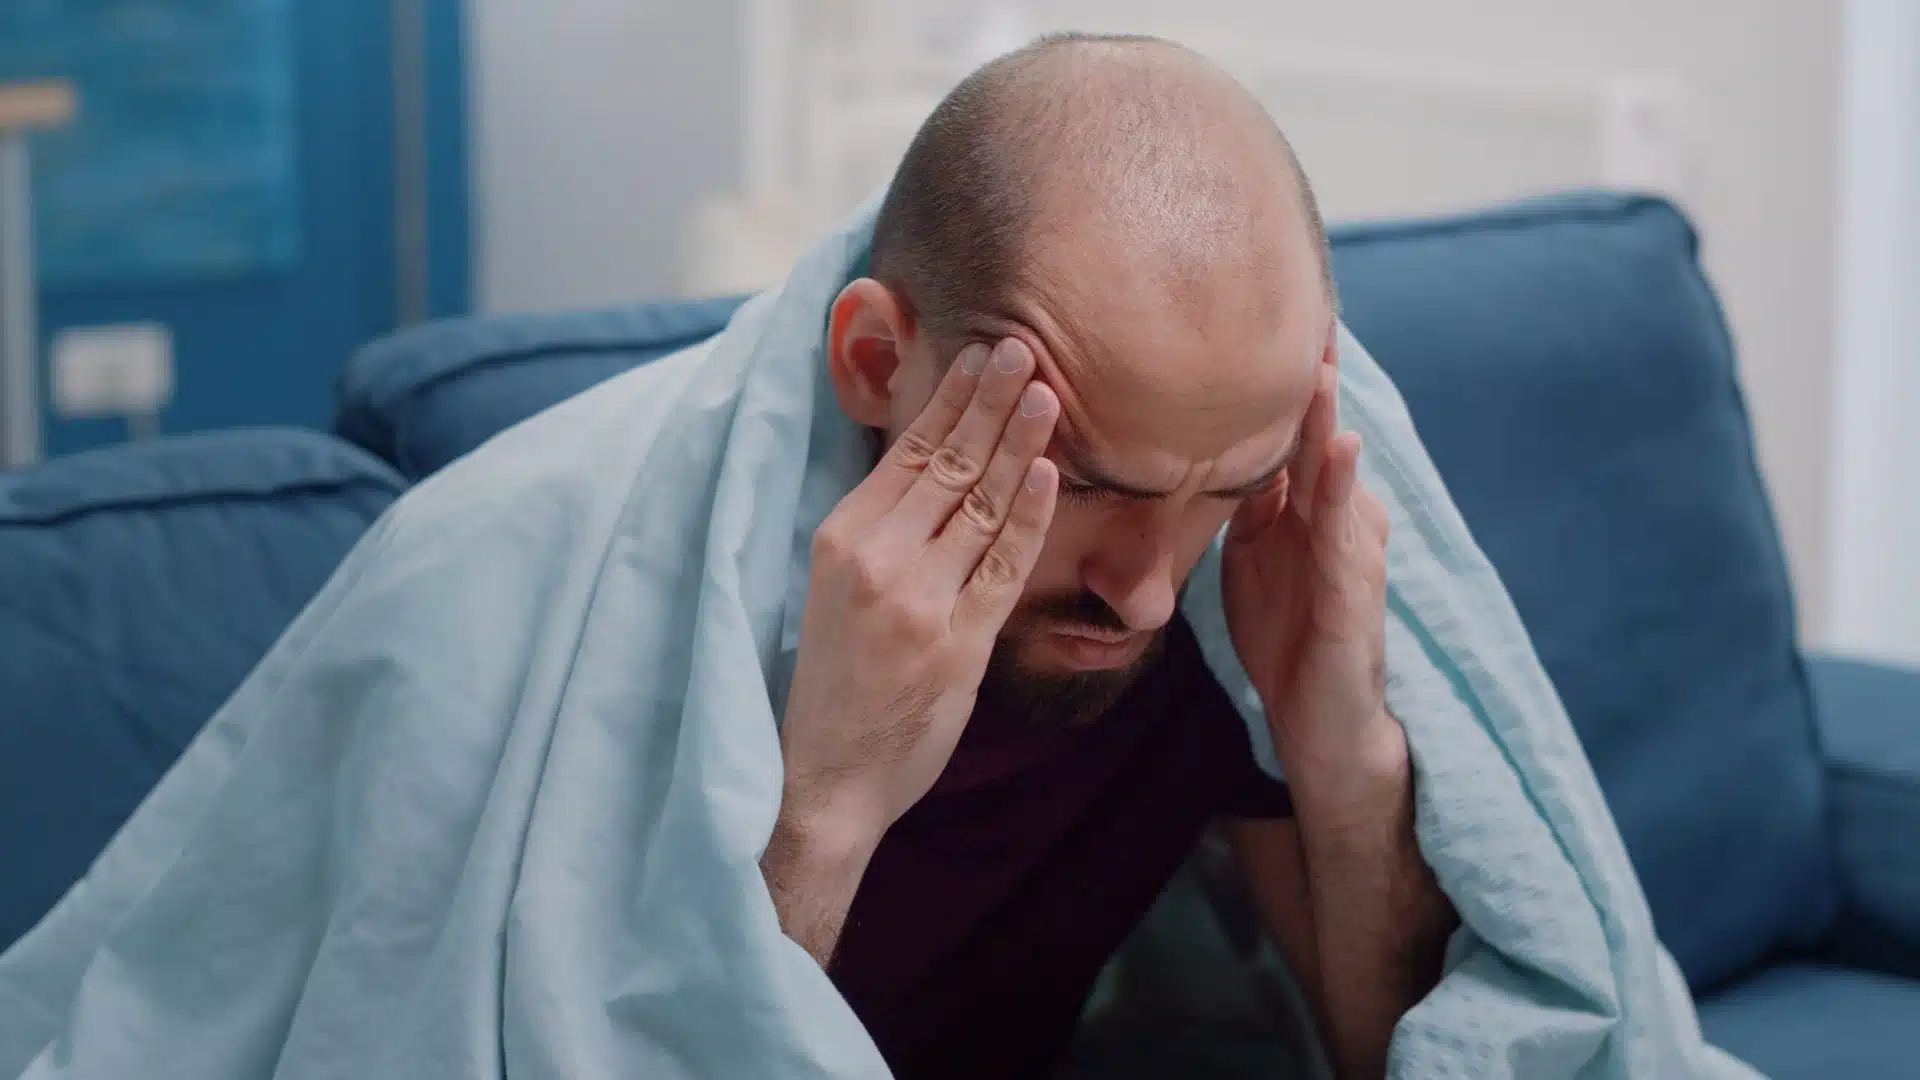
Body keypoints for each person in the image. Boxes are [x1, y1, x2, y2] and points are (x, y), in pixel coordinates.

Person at [762, 32, 1455, 1080]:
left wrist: (1347, 761)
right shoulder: (689, 617)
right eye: (1081, 486)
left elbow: (1393, 1058)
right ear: (876, 363)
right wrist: (826, 807)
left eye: (1224, 489)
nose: (1145, 597)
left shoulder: (1236, 598)